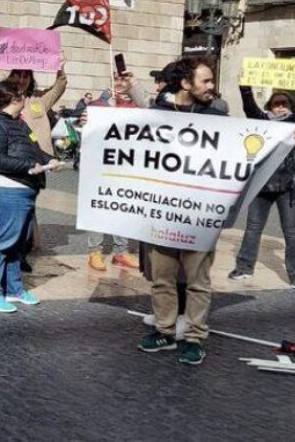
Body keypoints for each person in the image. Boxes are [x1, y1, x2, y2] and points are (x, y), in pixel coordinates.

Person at [136, 57, 234, 366]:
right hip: (164, 212)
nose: (211, 86)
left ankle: (193, 337)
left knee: (198, 282)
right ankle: (164, 330)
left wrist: (288, 138)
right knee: (162, 279)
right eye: (205, 81)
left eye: (211, 81)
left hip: (201, 215)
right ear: (186, 84)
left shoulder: (216, 116)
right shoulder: (157, 115)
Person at [230, 84, 295, 289]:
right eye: (277, 104)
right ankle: (244, 267)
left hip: (290, 187)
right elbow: (250, 108)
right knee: (253, 228)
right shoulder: (263, 121)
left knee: (292, 232)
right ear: (270, 107)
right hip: (263, 185)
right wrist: (245, 86)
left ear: (290, 105)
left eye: (284, 103)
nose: (281, 107)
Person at [0, 59, 68, 271]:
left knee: (27, 210)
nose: (21, 79)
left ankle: (21, 253)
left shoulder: (39, 100)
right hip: (10, 163)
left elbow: (60, 85)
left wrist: (59, 65)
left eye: (26, 76)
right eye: (18, 75)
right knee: (11, 211)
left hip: (37, 161)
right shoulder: (2, 99)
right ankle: (10, 253)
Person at [0, 81, 55, 313]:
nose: (27, 100)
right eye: (24, 96)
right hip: (6, 190)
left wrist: (47, 159)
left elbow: (33, 148)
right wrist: (28, 165)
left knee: (15, 244)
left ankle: (13, 289)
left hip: (23, 190)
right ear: (16, 99)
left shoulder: (19, 124)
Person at [87, 72, 141, 271]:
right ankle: (95, 251)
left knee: (122, 207)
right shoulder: (96, 105)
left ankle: (121, 251)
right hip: (100, 165)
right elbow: (85, 127)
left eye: (123, 80)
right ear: (110, 81)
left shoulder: (132, 107)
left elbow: (147, 111)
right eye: (116, 79)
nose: (119, 83)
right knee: (98, 208)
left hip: (124, 166)